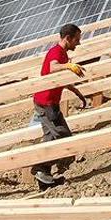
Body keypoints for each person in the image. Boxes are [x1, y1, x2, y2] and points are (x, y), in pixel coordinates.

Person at [30, 24, 89, 188]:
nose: (78, 43)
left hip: (50, 103)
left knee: (51, 136)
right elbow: (52, 67)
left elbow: (57, 77)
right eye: (76, 39)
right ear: (67, 38)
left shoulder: (63, 54)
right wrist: (68, 66)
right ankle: (40, 167)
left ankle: (44, 179)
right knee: (62, 136)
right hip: (45, 103)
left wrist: (75, 90)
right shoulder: (56, 52)